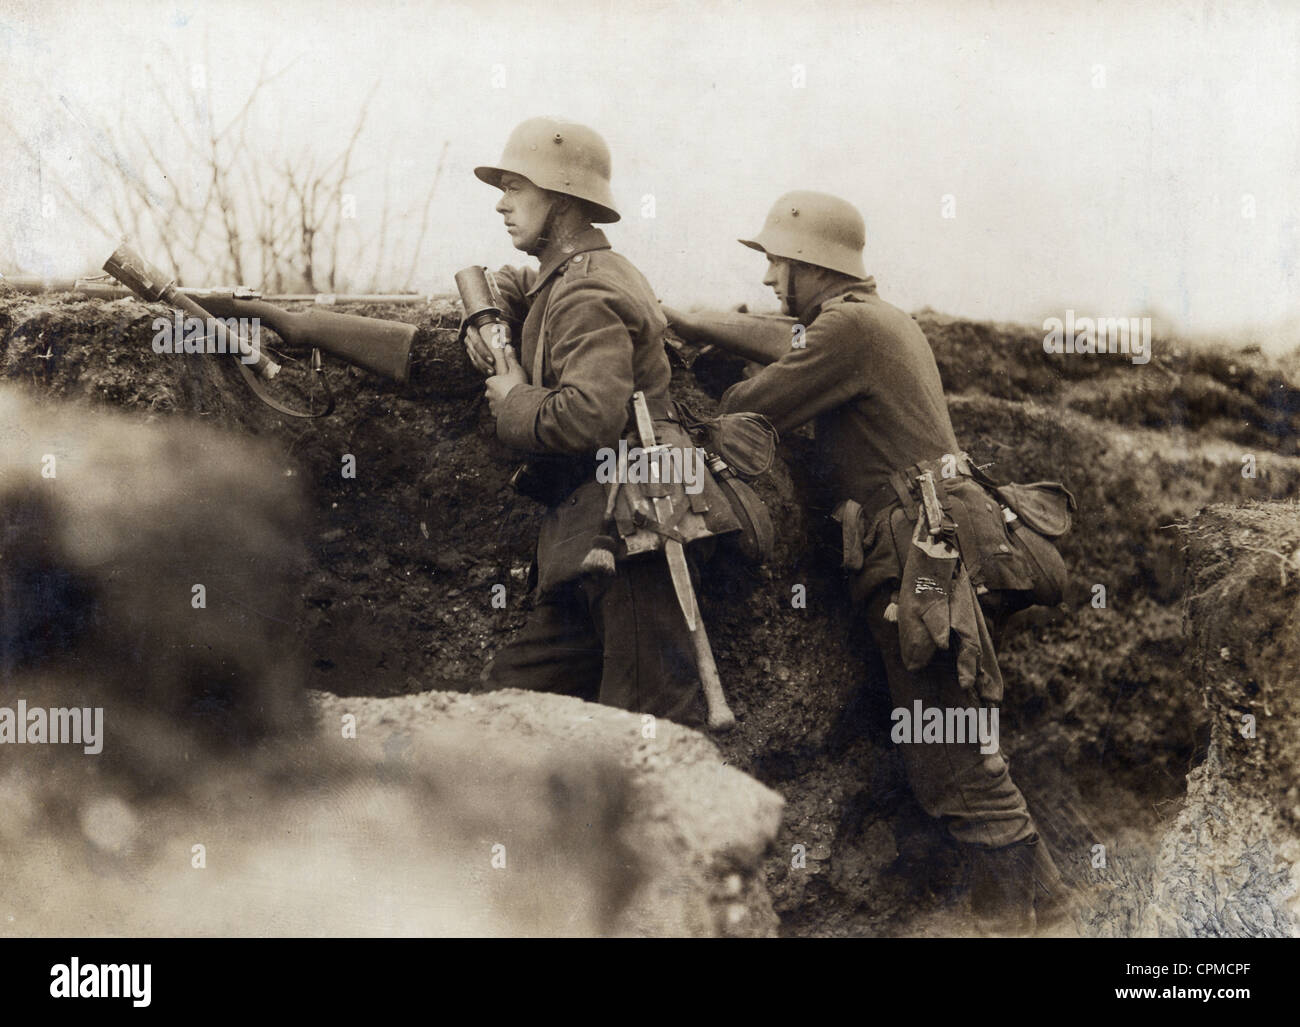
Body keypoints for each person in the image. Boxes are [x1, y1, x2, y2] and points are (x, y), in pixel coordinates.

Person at [664, 190, 1072, 932]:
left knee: (946, 753)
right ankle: (1059, 906)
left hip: (927, 563)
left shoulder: (847, 328)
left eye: (777, 263)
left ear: (813, 265)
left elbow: (753, 403)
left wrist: (699, 371)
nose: (767, 280)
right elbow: (790, 341)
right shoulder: (873, 320)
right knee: (958, 740)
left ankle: (1014, 921)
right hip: (955, 547)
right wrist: (689, 319)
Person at [462, 117, 738, 725]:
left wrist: (512, 400)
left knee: (647, 729)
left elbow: (590, 415)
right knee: (512, 704)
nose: (502, 205)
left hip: (638, 534)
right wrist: (483, 317)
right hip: (594, 538)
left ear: (559, 197)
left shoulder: (588, 290)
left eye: (515, 188)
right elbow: (517, 282)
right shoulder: (572, 276)